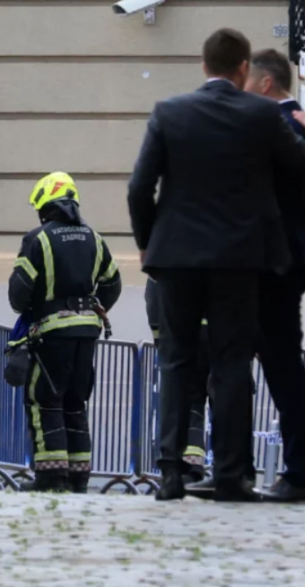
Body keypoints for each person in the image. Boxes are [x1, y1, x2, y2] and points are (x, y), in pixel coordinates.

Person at [128, 28, 305, 502]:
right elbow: (297, 172)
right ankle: (231, 474)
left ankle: (169, 472)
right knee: (229, 363)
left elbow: (138, 187)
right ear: (243, 67)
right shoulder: (261, 116)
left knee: (177, 361)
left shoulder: (170, 112)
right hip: (239, 258)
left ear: (204, 66)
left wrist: (148, 243)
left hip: (176, 258)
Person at [8, 172, 122, 493]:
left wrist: (36, 307)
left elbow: (18, 295)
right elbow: (113, 284)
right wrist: (93, 308)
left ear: (45, 207)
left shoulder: (38, 239)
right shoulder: (95, 238)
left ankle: (50, 476)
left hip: (51, 334)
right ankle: (79, 477)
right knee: (75, 402)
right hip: (87, 333)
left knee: (45, 400)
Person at [243, 49, 305, 502]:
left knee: (282, 366)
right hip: (292, 257)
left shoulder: (277, 127)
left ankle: (298, 471)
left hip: (277, 261)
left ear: (266, 84)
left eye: (247, 83)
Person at [145, 277, 209, 484]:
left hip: (183, 339)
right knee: (226, 403)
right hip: (222, 339)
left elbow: (154, 297)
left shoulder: (171, 247)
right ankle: (230, 472)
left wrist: (160, 339)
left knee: (189, 404)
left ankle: (187, 468)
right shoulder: (225, 247)